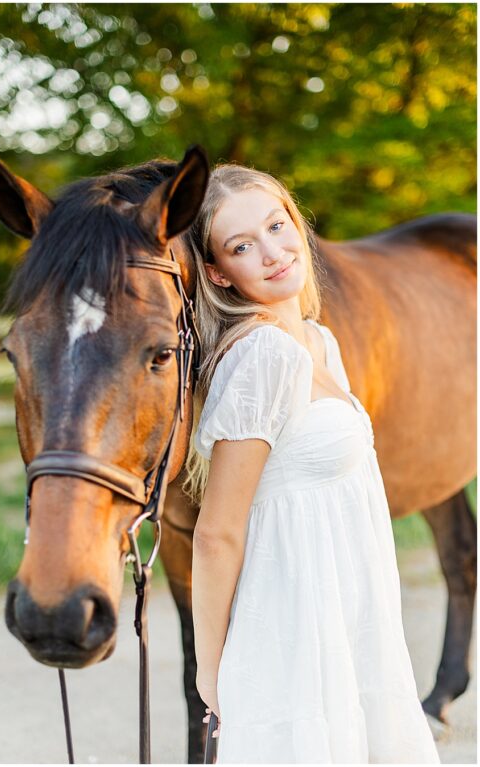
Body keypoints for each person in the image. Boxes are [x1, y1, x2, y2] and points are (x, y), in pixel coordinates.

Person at [184, 164, 440, 763]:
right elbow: (217, 533)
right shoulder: (262, 357)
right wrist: (211, 670)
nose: (272, 252)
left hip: (350, 626)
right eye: (242, 245)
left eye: (277, 226)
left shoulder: (319, 342)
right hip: (294, 631)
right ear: (219, 273)